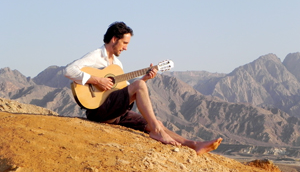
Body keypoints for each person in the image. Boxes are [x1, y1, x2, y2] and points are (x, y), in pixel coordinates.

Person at [64, 21, 222, 155]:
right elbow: (69, 70)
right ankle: (158, 133)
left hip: (115, 111)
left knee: (155, 121)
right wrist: (97, 80)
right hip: (98, 110)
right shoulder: (96, 55)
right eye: (125, 43)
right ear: (114, 39)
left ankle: (193, 144)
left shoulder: (117, 65)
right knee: (144, 99)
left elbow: (127, 90)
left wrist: (144, 79)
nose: (126, 48)